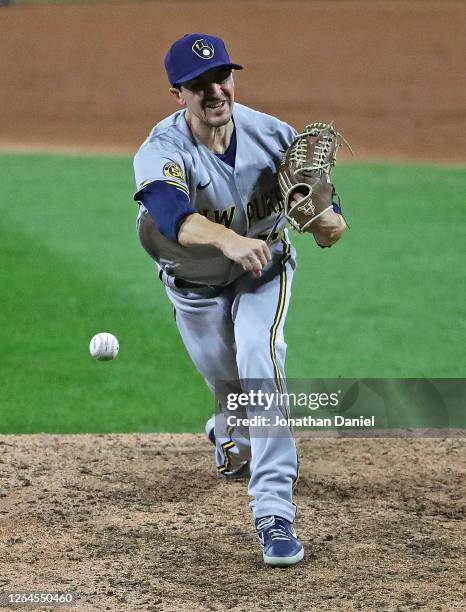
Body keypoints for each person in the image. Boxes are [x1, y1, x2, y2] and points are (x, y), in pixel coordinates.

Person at [132, 33, 345, 567]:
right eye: (199, 85)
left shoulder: (275, 135)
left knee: (259, 356)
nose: (215, 91)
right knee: (235, 398)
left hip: (263, 274)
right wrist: (229, 239)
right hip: (194, 288)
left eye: (222, 77)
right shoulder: (162, 150)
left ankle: (273, 512)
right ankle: (230, 434)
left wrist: (323, 220)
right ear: (177, 94)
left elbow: (332, 229)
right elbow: (170, 215)